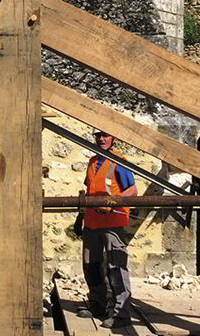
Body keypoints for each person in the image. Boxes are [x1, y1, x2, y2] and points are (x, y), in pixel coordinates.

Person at [73, 130, 137, 329]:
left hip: (112, 222)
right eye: (98, 136)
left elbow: (132, 191)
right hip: (92, 222)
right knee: (91, 265)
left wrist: (112, 202)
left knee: (115, 266)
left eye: (106, 135)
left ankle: (121, 314)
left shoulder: (120, 161)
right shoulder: (93, 162)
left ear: (113, 138)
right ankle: (98, 305)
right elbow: (89, 192)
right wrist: (80, 217)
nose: (101, 139)